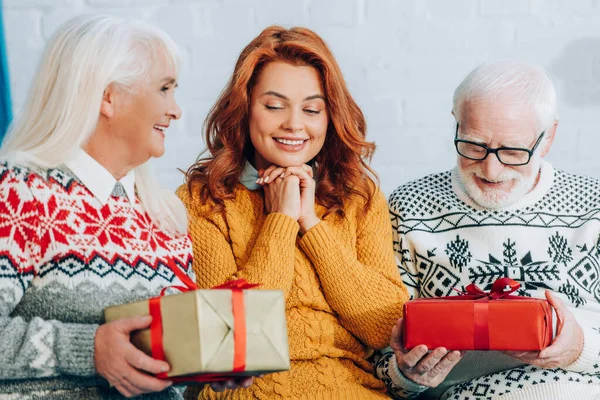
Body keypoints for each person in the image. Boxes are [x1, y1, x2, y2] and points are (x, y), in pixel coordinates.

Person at [0, 15, 250, 399]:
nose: (176, 110)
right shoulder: (19, 191)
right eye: (164, 89)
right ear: (108, 97)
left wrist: (203, 364)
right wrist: (89, 350)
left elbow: (159, 362)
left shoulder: (164, 215)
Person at [177, 25, 410, 399]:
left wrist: (311, 224)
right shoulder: (203, 201)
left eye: (312, 109)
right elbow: (231, 339)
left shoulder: (358, 197)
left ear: (330, 116)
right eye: (274, 106)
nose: (294, 124)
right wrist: (280, 221)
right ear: (244, 107)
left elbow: (387, 326)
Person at [376, 60, 600, 399]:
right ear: (456, 125)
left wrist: (578, 348)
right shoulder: (408, 207)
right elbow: (375, 362)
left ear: (548, 138)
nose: (491, 170)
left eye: (512, 152)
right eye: (474, 146)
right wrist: (407, 374)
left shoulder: (592, 204)